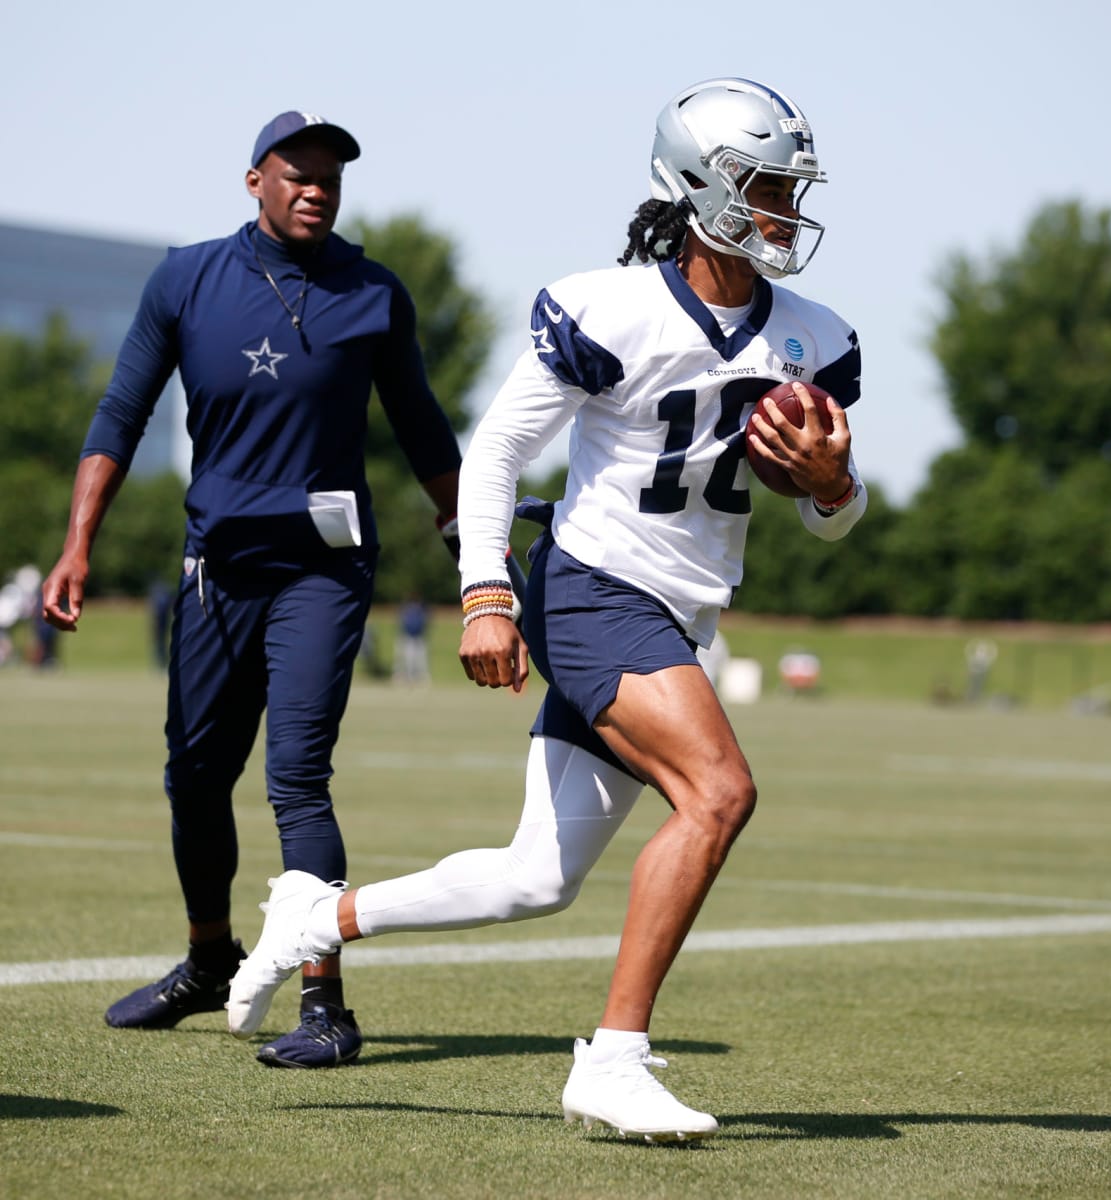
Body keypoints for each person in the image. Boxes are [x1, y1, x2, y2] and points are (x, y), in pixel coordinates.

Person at [227, 77, 867, 1136]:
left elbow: (829, 519)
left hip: (682, 620)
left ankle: (317, 917)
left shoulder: (813, 339)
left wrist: (833, 486)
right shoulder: (608, 306)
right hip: (594, 591)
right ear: (701, 185)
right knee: (718, 793)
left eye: (791, 190)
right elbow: (496, 456)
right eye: (763, 188)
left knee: (536, 878)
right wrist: (485, 591)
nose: (784, 212)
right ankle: (613, 1061)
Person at [41, 111, 463, 1069]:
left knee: (296, 779)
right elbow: (120, 413)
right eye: (297, 173)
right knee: (192, 777)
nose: (316, 188)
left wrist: (468, 547)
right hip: (215, 568)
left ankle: (326, 1007)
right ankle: (206, 962)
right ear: (254, 181)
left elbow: (424, 429)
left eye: (330, 178)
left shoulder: (375, 293)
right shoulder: (186, 278)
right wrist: (76, 549)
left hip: (322, 569)